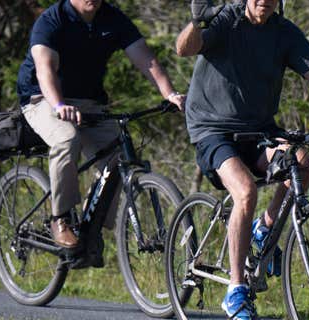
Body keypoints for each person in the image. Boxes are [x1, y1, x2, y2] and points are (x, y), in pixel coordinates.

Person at [176, 0, 309, 318]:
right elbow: (184, 49)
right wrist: (197, 23)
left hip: (259, 129)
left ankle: (266, 226)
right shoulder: (226, 20)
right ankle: (236, 291)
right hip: (212, 129)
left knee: (302, 161)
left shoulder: (284, 32)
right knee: (245, 190)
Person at [16, 0, 185, 265]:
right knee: (66, 139)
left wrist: (170, 94)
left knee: (119, 155)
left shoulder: (112, 18)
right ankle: (59, 219)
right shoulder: (52, 21)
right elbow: (44, 70)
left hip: (89, 103)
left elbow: (146, 59)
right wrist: (59, 105)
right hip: (43, 99)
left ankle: (91, 229)